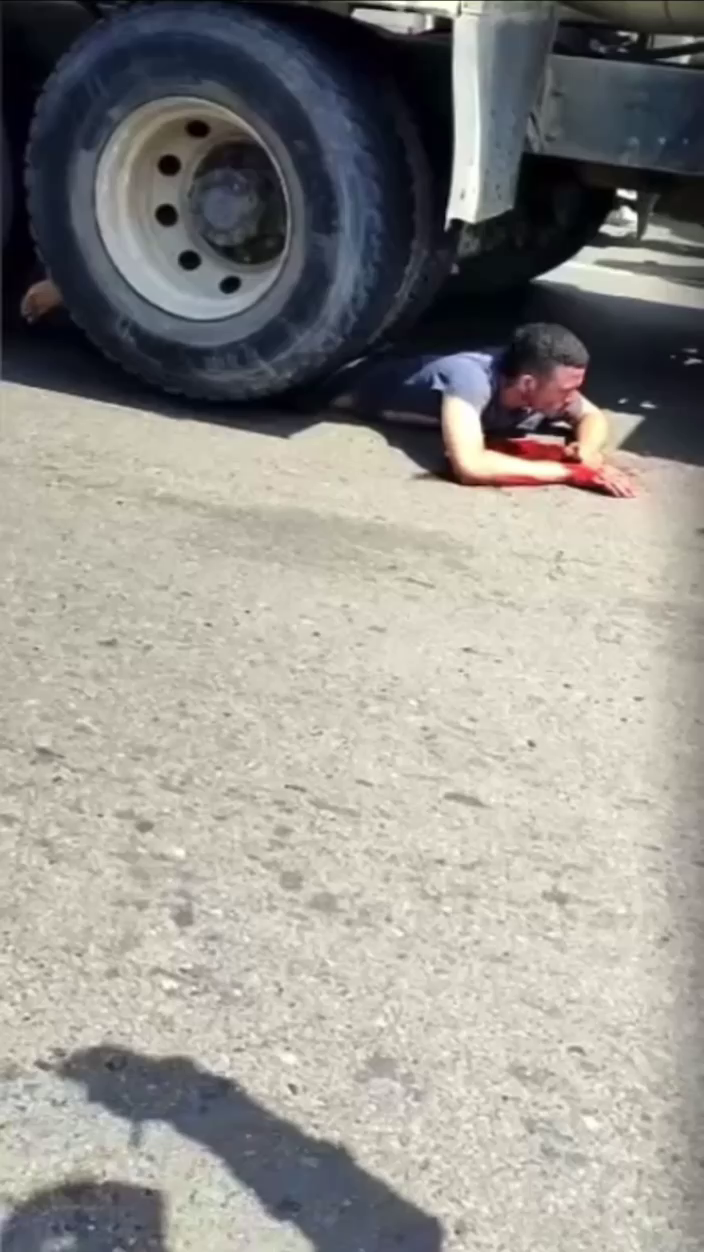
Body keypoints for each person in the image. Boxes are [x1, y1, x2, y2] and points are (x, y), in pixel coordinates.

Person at [329, 322, 635, 497]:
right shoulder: (471, 381)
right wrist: (571, 472)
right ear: (528, 383)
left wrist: (588, 451)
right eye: (565, 390)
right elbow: (471, 465)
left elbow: (592, 416)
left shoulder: (538, 389)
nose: (572, 398)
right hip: (332, 381)